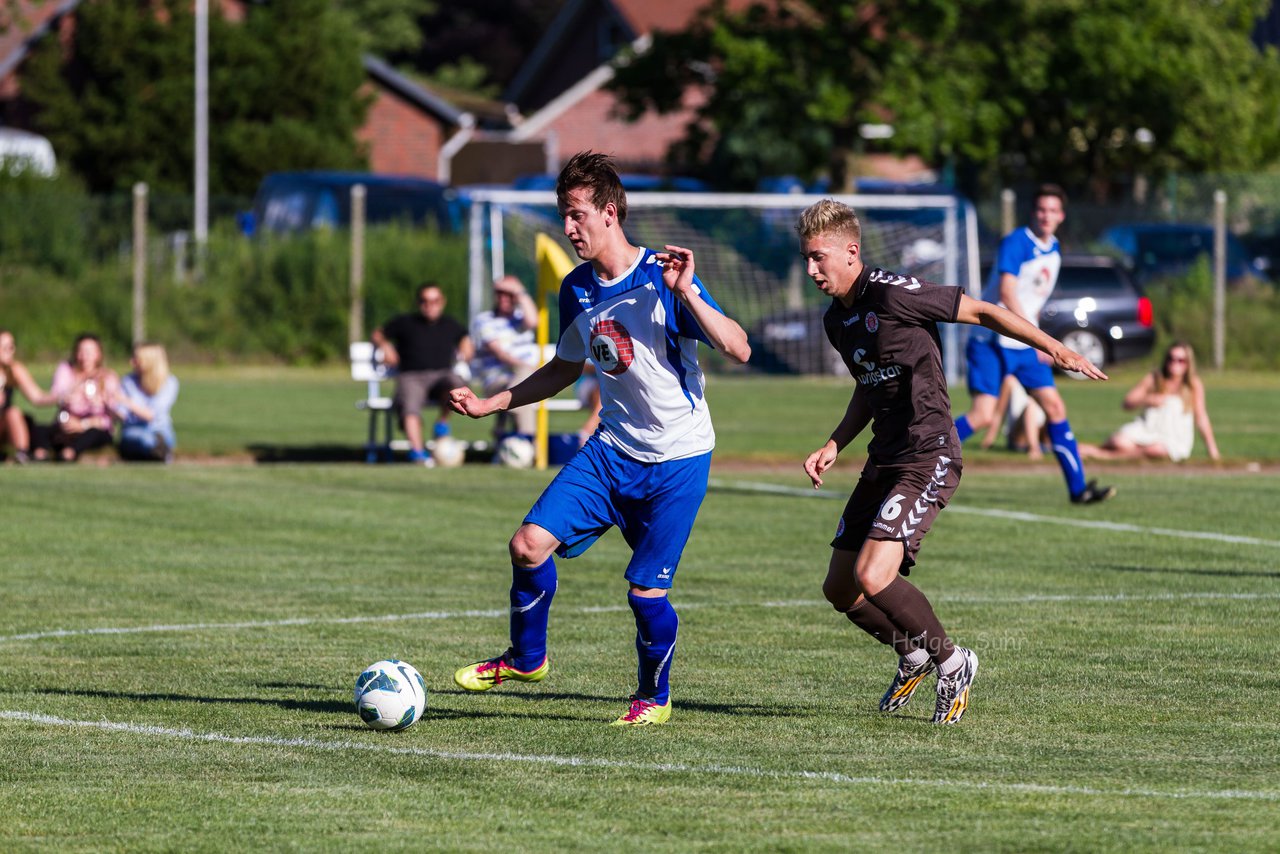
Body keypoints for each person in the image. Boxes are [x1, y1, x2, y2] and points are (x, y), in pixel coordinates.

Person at [448, 151, 751, 726]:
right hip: (612, 452)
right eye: (563, 215)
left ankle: (653, 698)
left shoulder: (663, 278)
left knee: (645, 595)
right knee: (527, 545)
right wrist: (493, 403)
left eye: (576, 215)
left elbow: (739, 347)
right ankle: (526, 658)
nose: (567, 228)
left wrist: (687, 291)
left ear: (610, 213)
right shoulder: (577, 288)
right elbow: (563, 368)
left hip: (679, 459)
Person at [796, 199, 1107, 725]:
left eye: (818, 258)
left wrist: (1055, 349)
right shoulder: (838, 321)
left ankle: (953, 662)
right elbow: (867, 390)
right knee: (839, 587)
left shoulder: (894, 294)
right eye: (806, 259)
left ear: (851, 251)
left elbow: (985, 311)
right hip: (884, 458)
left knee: (875, 574)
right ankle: (913, 654)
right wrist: (834, 443)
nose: (811, 270)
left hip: (928, 451)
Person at [953, 185, 1115, 504]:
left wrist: (1035, 337)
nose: (1046, 216)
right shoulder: (1017, 243)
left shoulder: (1053, 250)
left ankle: (1078, 489)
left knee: (1055, 407)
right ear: (1034, 212)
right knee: (983, 415)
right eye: (1042, 209)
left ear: (1061, 216)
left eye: (1053, 210)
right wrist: (1040, 340)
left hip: (1023, 345)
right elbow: (1007, 293)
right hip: (991, 339)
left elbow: (1034, 300)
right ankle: (919, 458)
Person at [371, 283, 474, 466]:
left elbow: (465, 339)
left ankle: (442, 423)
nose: (430, 305)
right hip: (412, 376)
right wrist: (385, 346)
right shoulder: (405, 322)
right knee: (409, 402)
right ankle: (417, 452)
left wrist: (466, 344)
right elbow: (378, 334)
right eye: (425, 301)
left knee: (456, 382)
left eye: (435, 301)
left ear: (442, 302)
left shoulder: (451, 324)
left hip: (442, 376)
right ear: (419, 303)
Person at [1081, 341, 1220, 462]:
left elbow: (1201, 417)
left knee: (1157, 450)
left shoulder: (1192, 385)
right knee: (1119, 441)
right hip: (1147, 430)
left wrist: (1212, 450)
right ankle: (1097, 451)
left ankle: (1104, 456)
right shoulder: (1155, 378)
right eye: (1171, 358)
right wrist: (1148, 399)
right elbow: (1127, 403)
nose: (1174, 363)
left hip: (1173, 437)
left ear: (1188, 364)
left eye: (1180, 360)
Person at [470, 274, 541, 438]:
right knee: (523, 391)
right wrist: (527, 368)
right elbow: (500, 354)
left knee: (524, 384)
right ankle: (528, 442)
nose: (504, 298)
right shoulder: (484, 320)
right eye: (500, 293)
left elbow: (534, 321)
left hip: (524, 377)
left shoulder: (520, 319)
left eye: (509, 294)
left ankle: (509, 437)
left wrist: (519, 291)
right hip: (497, 378)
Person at [115, 342, 180, 462]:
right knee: (142, 438)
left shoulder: (169, 382)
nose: (131, 362)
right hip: (133, 429)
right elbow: (121, 414)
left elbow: (151, 415)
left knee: (151, 439)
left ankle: (156, 449)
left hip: (160, 429)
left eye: (136, 359)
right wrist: (108, 403)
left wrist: (126, 402)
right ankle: (158, 451)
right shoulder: (128, 381)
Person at [0, 329, 55, 462]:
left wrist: (62, 395)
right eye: (4, 347)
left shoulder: (14, 369)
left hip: (3, 425)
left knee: (14, 413)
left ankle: (22, 453)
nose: (10, 350)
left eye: (11, 346)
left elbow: (37, 397)